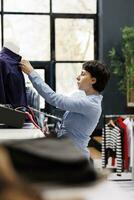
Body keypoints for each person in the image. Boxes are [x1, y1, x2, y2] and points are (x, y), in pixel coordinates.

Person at [20, 60, 110, 159]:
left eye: (83, 74)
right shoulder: (82, 96)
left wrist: (31, 73)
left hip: (75, 156)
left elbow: (54, 99)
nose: (78, 77)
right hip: (68, 151)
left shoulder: (91, 104)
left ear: (93, 80)